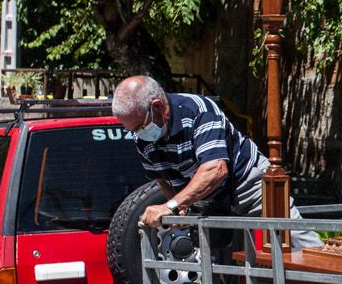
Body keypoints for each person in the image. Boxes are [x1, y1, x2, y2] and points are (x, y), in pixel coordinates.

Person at [112, 75, 268, 227]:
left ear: (157, 106)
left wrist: (172, 205)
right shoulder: (141, 138)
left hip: (248, 186)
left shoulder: (198, 111)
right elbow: (162, 179)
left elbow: (215, 169)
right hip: (207, 202)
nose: (138, 134)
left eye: (141, 126)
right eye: (132, 130)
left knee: (288, 243)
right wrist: (179, 210)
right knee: (222, 252)